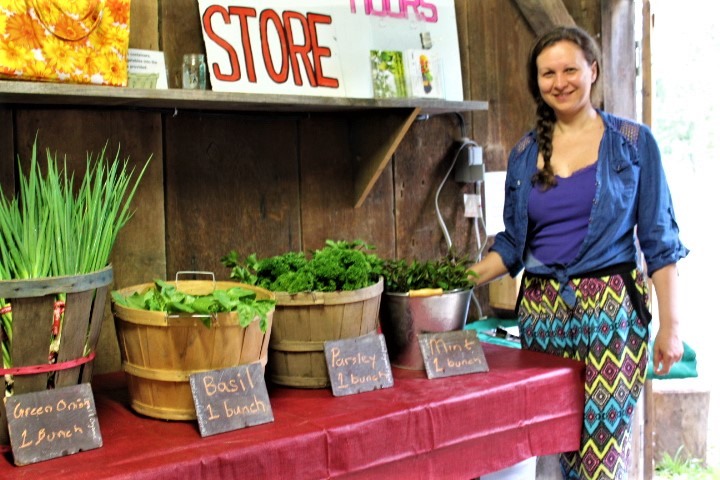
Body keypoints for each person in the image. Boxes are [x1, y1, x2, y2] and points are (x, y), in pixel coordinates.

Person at [467, 25, 688, 479]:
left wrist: (671, 326)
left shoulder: (632, 142)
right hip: (543, 316)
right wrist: (452, 283)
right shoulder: (525, 154)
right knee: (555, 455)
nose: (560, 81)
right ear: (537, 82)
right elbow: (511, 246)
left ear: (593, 71)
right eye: (548, 73)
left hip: (612, 315)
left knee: (600, 464)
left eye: (570, 69)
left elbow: (660, 242)